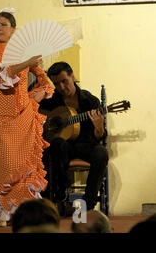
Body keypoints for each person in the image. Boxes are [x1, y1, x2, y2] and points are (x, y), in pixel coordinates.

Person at [0, 10, 54, 225]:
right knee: (8, 165)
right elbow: (4, 76)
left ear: (13, 29)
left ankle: (23, 214)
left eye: (3, 24)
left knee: (25, 165)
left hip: (23, 114)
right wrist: (27, 62)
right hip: (2, 117)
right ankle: (2, 212)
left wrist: (41, 92)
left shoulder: (24, 52)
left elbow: (46, 81)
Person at [39, 61, 108, 211]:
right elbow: (38, 116)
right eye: (57, 84)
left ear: (73, 76)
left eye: (65, 81)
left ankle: (87, 205)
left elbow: (100, 136)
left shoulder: (90, 101)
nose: (62, 88)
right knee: (57, 143)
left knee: (101, 153)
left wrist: (99, 128)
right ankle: (61, 191)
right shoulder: (51, 100)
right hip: (63, 149)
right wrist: (48, 125)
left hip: (85, 145)